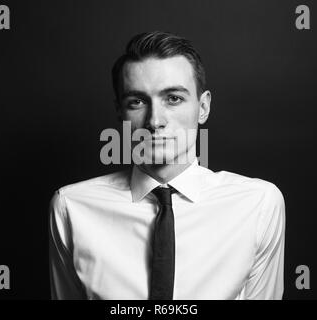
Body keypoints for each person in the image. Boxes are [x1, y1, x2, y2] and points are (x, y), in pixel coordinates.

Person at [49, 31, 286, 300]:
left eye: (173, 98)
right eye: (137, 102)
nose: (155, 121)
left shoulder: (259, 204)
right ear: (120, 111)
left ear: (203, 107)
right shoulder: (72, 207)